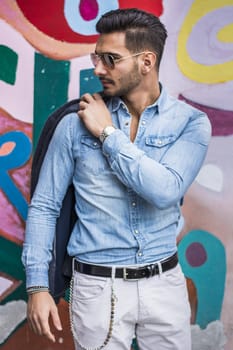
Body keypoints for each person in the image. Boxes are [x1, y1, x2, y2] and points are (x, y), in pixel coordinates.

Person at [22, 8, 211, 350]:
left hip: (164, 283)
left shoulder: (191, 123)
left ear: (146, 61)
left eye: (110, 59)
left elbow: (166, 190)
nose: (97, 69)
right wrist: (37, 287)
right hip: (97, 289)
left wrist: (108, 134)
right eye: (97, 57)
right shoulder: (72, 124)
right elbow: (45, 207)